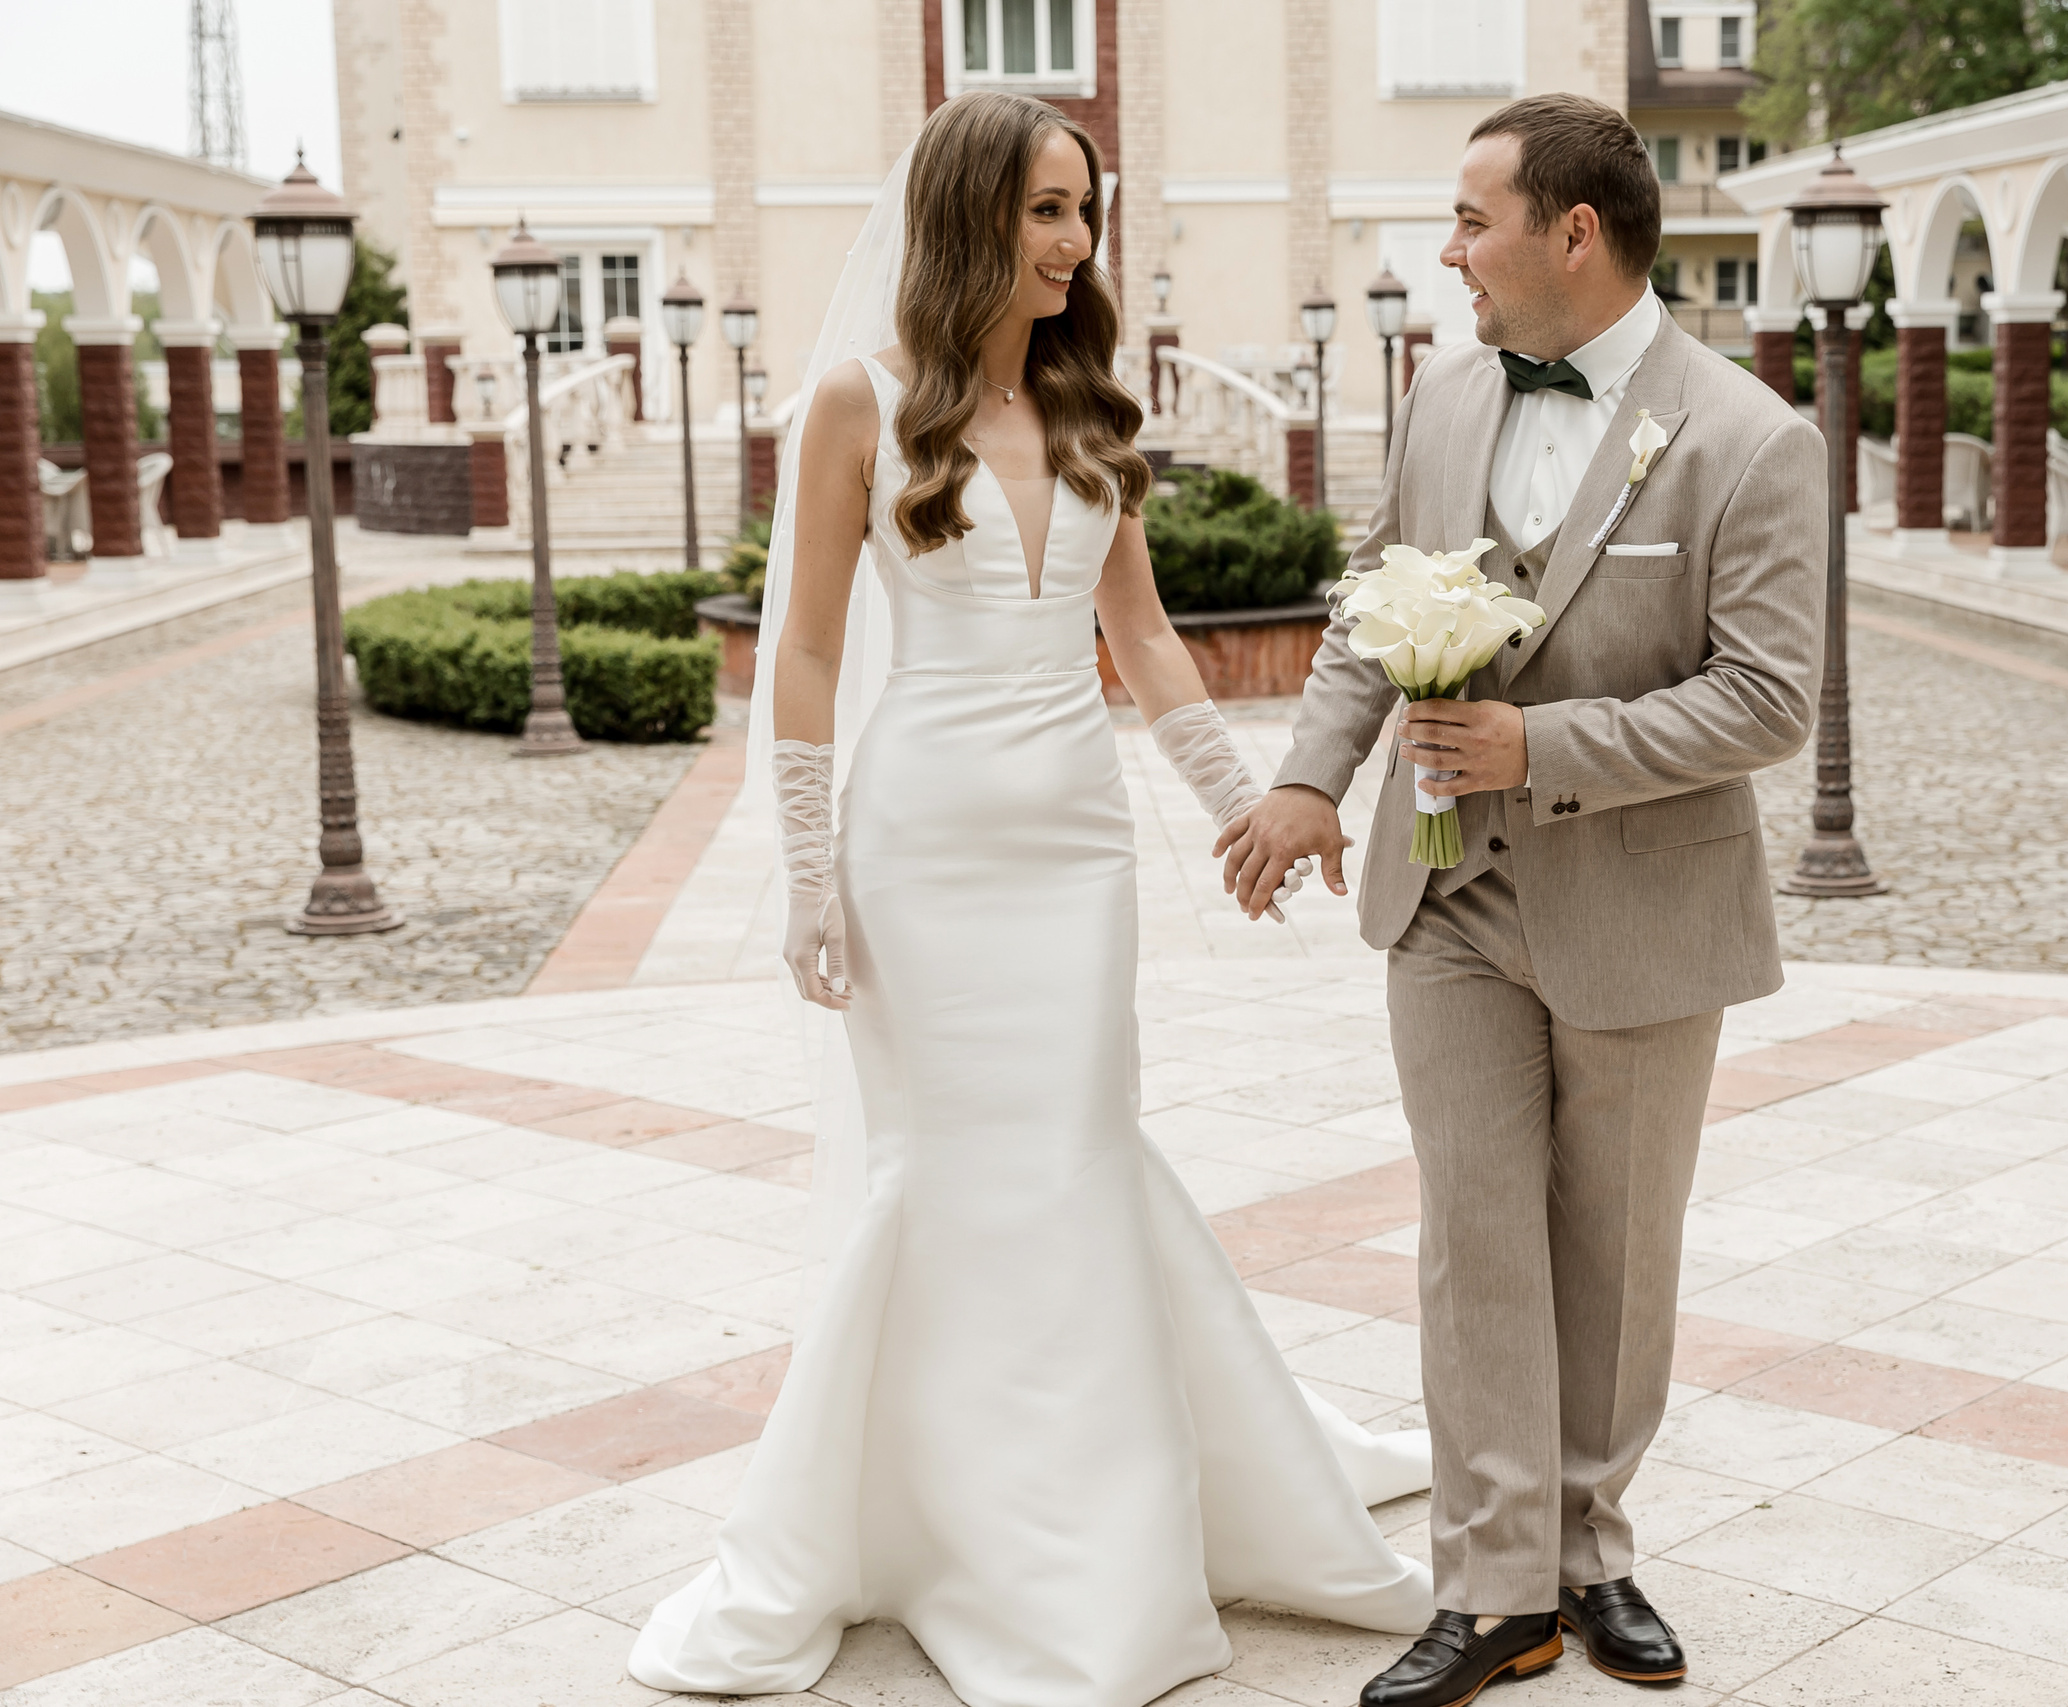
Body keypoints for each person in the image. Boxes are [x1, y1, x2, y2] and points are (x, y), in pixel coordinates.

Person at [626, 90, 1432, 1704]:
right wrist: (801, 871)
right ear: (969, 213)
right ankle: (938, 1521)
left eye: (1086, 212)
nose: (1073, 244)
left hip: (1071, 854)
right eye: (1046, 210)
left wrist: (1251, 813)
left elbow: (1141, 640)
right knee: (943, 1176)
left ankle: (1095, 1518)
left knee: (1073, 1155)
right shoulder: (857, 405)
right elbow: (800, 647)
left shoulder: (1090, 412)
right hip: (916, 846)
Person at [1215, 93, 1826, 1704]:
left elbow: (1769, 701)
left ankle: (1589, 1553)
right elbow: (1372, 603)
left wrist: (1536, 742)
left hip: (1644, 906)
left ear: (1575, 232)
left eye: (1473, 219)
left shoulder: (1753, 438)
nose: (1449, 251)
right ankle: (1494, 1592)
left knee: (1613, 1257)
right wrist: (1306, 779)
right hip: (1448, 899)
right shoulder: (1440, 397)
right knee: (1473, 1238)